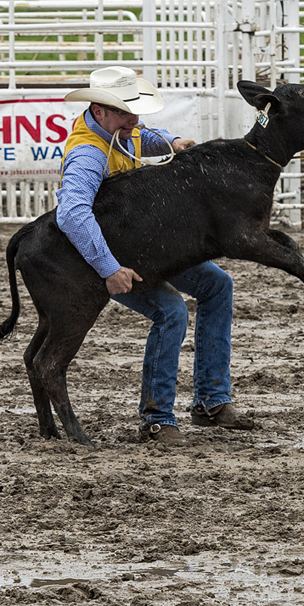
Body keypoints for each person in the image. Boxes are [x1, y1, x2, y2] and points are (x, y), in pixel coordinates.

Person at [56, 65, 255, 446]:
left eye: (134, 110)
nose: (134, 119)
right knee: (172, 310)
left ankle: (212, 400)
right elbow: (72, 213)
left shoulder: (118, 131)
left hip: (141, 248)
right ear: (100, 111)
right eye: (126, 111)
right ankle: (157, 418)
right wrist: (109, 268)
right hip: (111, 256)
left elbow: (145, 137)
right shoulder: (87, 153)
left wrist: (173, 141)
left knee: (217, 285)